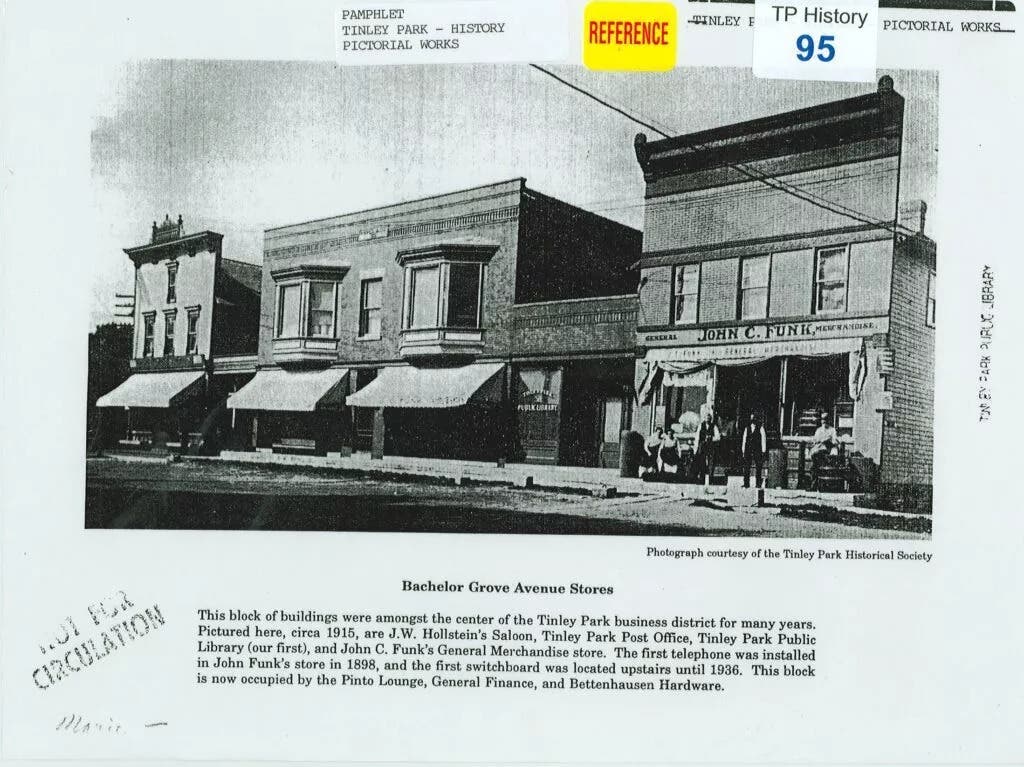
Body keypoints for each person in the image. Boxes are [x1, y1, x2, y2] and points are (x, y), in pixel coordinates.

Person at [740, 412, 767, 489]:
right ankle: (746, 484)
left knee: (758, 467)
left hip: (757, 450)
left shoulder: (760, 428)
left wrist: (763, 451)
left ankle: (758, 484)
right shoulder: (747, 428)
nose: (753, 421)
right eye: (752, 419)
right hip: (748, 449)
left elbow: (763, 440)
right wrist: (743, 450)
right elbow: (744, 440)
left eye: (754, 419)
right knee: (746, 467)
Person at [694, 411, 720, 485]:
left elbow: (718, 437)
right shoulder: (701, 426)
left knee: (711, 463)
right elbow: (697, 437)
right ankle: (702, 479)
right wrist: (695, 448)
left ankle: (710, 480)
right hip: (702, 446)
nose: (707, 419)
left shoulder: (714, 426)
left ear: (710, 419)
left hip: (711, 446)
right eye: (706, 417)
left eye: (709, 417)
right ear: (704, 418)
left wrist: (711, 438)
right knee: (702, 462)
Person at [810, 413, 840, 478]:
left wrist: (828, 440)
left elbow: (835, 441)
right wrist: (819, 441)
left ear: (828, 420)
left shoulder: (832, 430)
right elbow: (815, 441)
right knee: (815, 465)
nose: (824, 421)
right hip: (818, 451)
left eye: (825, 419)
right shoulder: (818, 430)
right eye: (822, 419)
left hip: (827, 451)